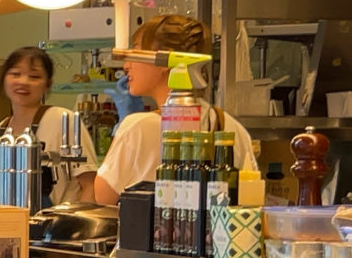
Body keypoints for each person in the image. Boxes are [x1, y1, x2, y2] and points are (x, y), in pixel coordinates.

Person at [80, 13, 253, 207]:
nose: (126, 65)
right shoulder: (232, 128)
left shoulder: (137, 126)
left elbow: (102, 197)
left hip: (148, 226)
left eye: (136, 51)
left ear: (165, 61)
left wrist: (123, 127)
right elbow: (249, 197)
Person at [0, 46, 95, 202]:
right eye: (15, 74)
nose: (23, 82)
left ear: (48, 84)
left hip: (59, 216)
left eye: (34, 76)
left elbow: (90, 185)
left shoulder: (63, 120)